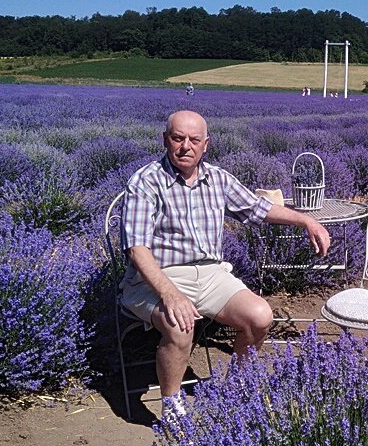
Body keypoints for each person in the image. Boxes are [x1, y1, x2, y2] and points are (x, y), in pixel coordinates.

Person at [120, 110, 330, 422]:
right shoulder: (146, 182)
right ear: (166, 141)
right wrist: (170, 294)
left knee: (260, 316)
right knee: (180, 325)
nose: (185, 147)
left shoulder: (218, 179)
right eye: (178, 138)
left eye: (194, 140)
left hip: (210, 273)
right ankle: (173, 404)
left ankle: (238, 386)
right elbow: (137, 249)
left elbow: (257, 209)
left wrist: (305, 220)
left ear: (206, 144)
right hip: (155, 277)